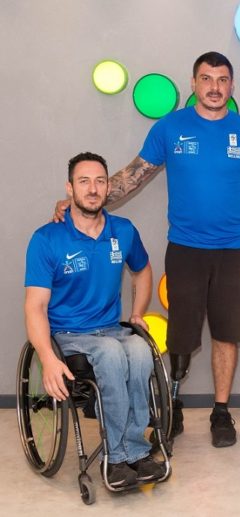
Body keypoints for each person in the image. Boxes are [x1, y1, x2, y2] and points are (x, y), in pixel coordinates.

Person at [54, 52, 240, 448]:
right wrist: (85, 199)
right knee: (181, 335)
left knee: (227, 334)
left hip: (235, 251)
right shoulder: (169, 128)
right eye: (206, 79)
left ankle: (221, 411)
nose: (215, 87)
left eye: (222, 80)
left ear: (231, 85)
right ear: (193, 83)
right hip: (185, 249)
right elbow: (134, 176)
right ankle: (174, 406)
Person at [27, 152, 164, 487]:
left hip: (111, 329)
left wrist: (137, 311)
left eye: (100, 181)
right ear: (70, 188)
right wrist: (47, 358)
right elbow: (35, 307)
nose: (93, 188)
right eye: (84, 181)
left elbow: (143, 270)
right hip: (69, 335)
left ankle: (135, 450)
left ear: (107, 187)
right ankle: (116, 458)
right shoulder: (47, 239)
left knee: (141, 350)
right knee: (112, 353)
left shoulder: (123, 231)